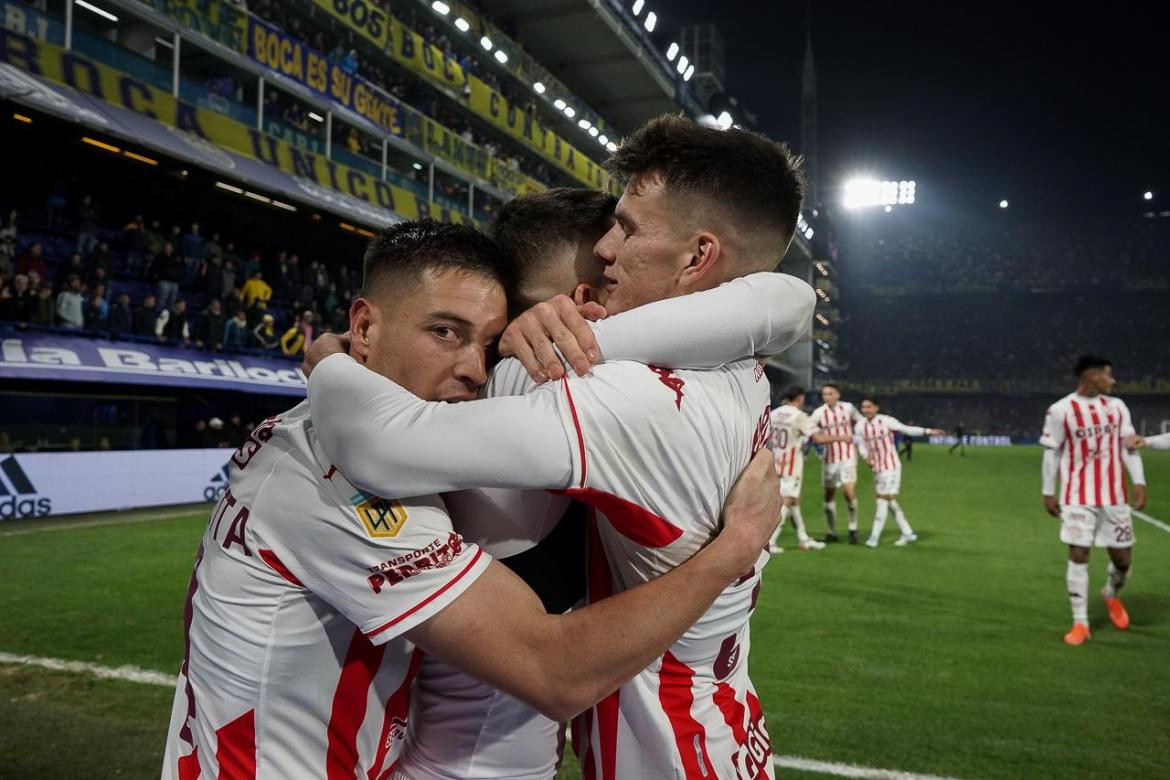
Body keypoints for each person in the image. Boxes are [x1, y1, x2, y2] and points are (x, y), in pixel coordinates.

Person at [161, 218, 783, 778]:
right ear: (364, 326)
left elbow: (785, 301)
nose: (475, 371)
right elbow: (554, 672)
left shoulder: (329, 429)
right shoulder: (344, 479)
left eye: (487, 344)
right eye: (443, 332)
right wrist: (733, 550)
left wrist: (332, 356)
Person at [307, 115, 815, 778]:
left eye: (628, 228)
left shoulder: (621, 402)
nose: (609, 248)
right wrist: (589, 337)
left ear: (698, 257)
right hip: (723, 734)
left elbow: (374, 441)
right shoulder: (731, 361)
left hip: (672, 756)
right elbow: (787, 298)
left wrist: (327, 356)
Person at [1040, 355, 1146, 646]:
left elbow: (1129, 446)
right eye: (1108, 375)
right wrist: (1048, 491)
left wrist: (1139, 481)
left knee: (1122, 560)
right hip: (1077, 496)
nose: (1113, 381)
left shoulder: (1117, 407)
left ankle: (1111, 594)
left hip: (1114, 495)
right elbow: (1052, 453)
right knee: (1078, 554)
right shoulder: (1061, 410)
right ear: (1091, 377)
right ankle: (1080, 623)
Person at [769, 386, 851, 552]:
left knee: (794, 503)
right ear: (800, 398)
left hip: (775, 462)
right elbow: (818, 438)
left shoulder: (774, 413)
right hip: (791, 465)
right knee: (788, 501)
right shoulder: (799, 416)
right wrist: (843, 437)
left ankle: (803, 538)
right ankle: (771, 541)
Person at [854, 397, 944, 548]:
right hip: (877, 467)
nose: (866, 410)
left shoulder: (886, 421)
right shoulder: (860, 425)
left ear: (876, 408)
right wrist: (865, 457)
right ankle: (908, 532)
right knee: (889, 501)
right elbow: (861, 444)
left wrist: (928, 431)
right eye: (863, 407)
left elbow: (906, 429)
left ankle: (874, 537)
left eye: (869, 407)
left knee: (882, 500)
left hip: (891, 466)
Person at [810, 383, 861, 543]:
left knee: (848, 493)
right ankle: (832, 532)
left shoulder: (848, 408)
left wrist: (859, 442)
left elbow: (861, 424)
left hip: (847, 457)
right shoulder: (818, 413)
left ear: (837, 394)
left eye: (830, 393)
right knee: (829, 495)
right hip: (829, 459)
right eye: (824, 394)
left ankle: (853, 527)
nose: (827, 397)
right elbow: (809, 429)